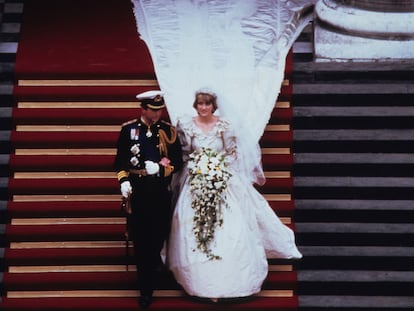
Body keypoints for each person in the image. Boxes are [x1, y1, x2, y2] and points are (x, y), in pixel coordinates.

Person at [167, 89, 302, 301]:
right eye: (200, 104)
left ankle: (230, 281)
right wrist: (198, 170)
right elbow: (185, 154)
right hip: (195, 180)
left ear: (214, 105)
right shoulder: (186, 125)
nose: (203, 108)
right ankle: (200, 282)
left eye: (207, 104)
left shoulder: (225, 126)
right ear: (195, 105)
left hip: (222, 180)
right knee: (193, 227)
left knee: (229, 228)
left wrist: (217, 171)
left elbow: (231, 154)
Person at [113, 90, 183, 308]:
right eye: (153, 110)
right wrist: (123, 182)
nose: (157, 113)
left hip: (160, 193)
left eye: (160, 109)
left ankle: (152, 271)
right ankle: (146, 289)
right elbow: (120, 163)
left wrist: (160, 172)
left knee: (157, 240)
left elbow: (178, 162)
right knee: (141, 242)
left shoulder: (168, 131)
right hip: (139, 194)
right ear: (143, 109)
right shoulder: (129, 130)